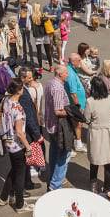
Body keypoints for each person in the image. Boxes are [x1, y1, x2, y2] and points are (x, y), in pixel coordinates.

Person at [0, 78, 33, 212]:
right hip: (17, 145)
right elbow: (19, 131)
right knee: (20, 175)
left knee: (15, 170)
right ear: (19, 90)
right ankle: (19, 204)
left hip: (7, 142)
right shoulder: (18, 109)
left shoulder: (5, 100)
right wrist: (28, 147)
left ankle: (4, 197)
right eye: (22, 88)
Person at [85, 75, 110, 194]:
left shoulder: (90, 101)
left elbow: (87, 119)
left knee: (94, 161)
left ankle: (93, 187)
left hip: (96, 134)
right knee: (109, 163)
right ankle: (107, 189)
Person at [44, 63, 73, 191]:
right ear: (60, 74)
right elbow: (58, 111)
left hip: (51, 125)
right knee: (64, 155)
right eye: (66, 73)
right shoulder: (58, 88)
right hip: (58, 127)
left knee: (54, 152)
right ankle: (55, 185)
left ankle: (52, 179)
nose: (68, 75)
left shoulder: (50, 83)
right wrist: (72, 112)